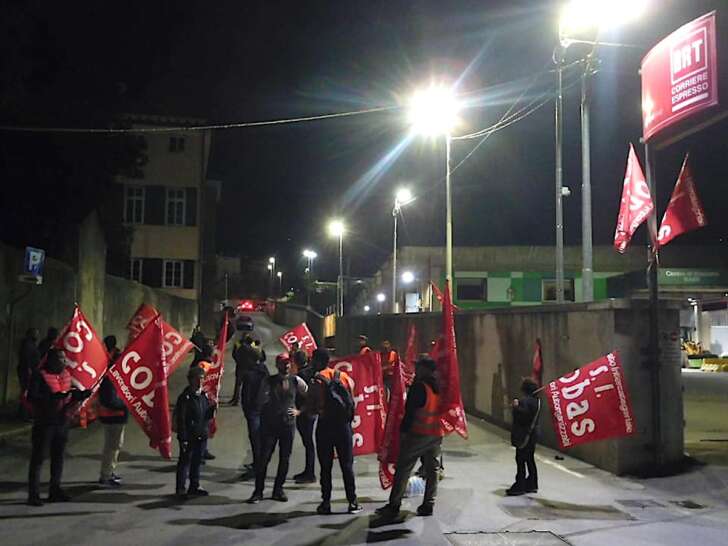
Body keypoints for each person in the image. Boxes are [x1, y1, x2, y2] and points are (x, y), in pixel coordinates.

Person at [376, 355, 443, 519]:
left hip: (418, 434)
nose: (416, 369)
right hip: (435, 435)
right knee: (432, 469)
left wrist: (403, 433)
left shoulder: (419, 387)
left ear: (426, 370)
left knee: (403, 469)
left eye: (419, 366)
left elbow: (410, 412)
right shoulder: (439, 387)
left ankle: (394, 505)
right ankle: (429, 504)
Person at [27, 348, 91, 506]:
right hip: (45, 423)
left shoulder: (66, 375)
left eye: (64, 359)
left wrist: (78, 395)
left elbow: (69, 395)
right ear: (50, 360)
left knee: (58, 457)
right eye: (60, 359)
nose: (63, 361)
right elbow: (31, 397)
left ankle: (55, 490)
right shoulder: (39, 375)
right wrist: (51, 398)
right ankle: (33, 494)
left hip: (62, 421)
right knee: (39, 458)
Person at [247, 353, 307, 503]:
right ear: (277, 365)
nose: (286, 366)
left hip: (288, 425)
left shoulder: (296, 380)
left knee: (285, 459)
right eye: (283, 363)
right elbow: (260, 400)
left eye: (288, 363)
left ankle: (278, 490)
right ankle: (258, 491)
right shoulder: (268, 381)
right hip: (270, 426)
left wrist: (300, 411)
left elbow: (310, 395)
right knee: (264, 458)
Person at [310, 349, 362, 515]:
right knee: (347, 465)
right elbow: (352, 401)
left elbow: (313, 406)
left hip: (325, 426)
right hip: (343, 427)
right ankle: (352, 502)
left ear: (317, 361)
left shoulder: (317, 380)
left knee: (326, 467)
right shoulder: (344, 377)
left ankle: (326, 503)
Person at [174, 366, 216, 499]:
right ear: (190, 380)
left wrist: (212, 409)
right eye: (197, 379)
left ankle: (195, 485)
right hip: (190, 435)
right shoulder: (185, 397)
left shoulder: (203, 395)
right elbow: (181, 418)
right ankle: (180, 488)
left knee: (197, 461)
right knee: (185, 461)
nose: (200, 382)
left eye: (202, 379)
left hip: (201, 434)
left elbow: (204, 415)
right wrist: (183, 437)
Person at [98, 336, 128, 487]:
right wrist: (126, 404)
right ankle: (106, 475)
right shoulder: (111, 378)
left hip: (116, 417)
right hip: (113, 417)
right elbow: (110, 400)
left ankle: (109, 472)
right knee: (112, 447)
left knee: (114, 446)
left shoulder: (115, 376)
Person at [239, 339, 270, 480]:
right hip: (260, 410)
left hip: (254, 411)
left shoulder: (251, 374)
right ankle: (257, 463)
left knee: (256, 440)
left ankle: (258, 468)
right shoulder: (263, 370)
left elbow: (249, 394)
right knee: (258, 439)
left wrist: (248, 409)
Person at [506, 377, 541, 496]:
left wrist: (516, 407)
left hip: (524, 435)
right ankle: (532, 483)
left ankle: (519, 485)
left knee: (520, 459)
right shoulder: (537, 401)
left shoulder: (525, 401)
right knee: (530, 459)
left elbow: (523, 417)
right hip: (533, 435)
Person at [292, 349, 317, 484]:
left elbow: (304, 394)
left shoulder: (301, 375)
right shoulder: (311, 370)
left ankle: (310, 473)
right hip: (311, 411)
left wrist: (300, 410)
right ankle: (308, 470)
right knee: (308, 443)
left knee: (308, 442)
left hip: (305, 411)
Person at [17, 328, 40, 418]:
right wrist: (29, 370)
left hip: (29, 371)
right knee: (26, 393)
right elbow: (26, 359)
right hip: (26, 372)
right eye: (35, 334)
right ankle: (23, 414)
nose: (37, 335)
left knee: (27, 393)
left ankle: (24, 412)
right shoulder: (27, 344)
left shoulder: (30, 344)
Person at [230, 335, 257, 405]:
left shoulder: (241, 348)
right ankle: (246, 400)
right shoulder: (253, 349)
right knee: (247, 386)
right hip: (249, 369)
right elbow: (259, 357)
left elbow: (235, 354)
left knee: (238, 385)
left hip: (240, 367)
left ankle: (236, 399)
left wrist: (238, 361)